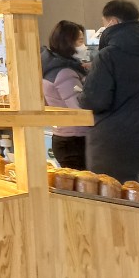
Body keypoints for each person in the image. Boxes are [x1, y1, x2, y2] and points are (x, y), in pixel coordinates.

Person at [80, 0, 139, 187]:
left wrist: (83, 93)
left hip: (113, 150)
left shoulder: (107, 56)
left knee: (114, 199)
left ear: (112, 22)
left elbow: (95, 100)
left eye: (104, 23)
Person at [41, 20, 90, 169]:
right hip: (74, 140)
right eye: (80, 41)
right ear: (68, 43)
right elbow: (80, 108)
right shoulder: (65, 73)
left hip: (64, 136)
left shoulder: (51, 66)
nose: (84, 46)